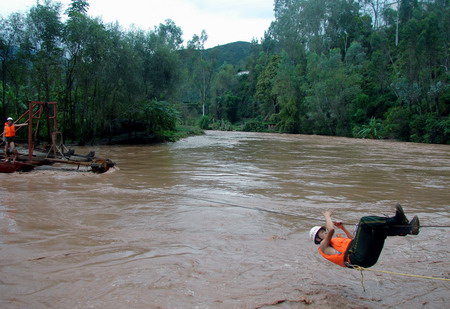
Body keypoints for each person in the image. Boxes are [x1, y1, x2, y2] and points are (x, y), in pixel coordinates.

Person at [309, 205, 420, 268]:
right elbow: (331, 229)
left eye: (324, 230)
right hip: (357, 258)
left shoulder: (333, 243)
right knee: (364, 222)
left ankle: (408, 229)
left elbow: (353, 240)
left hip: (367, 260)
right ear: (318, 239)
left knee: (379, 231)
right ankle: (395, 220)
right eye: (322, 232)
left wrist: (343, 228)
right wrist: (327, 216)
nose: (325, 232)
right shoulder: (323, 246)